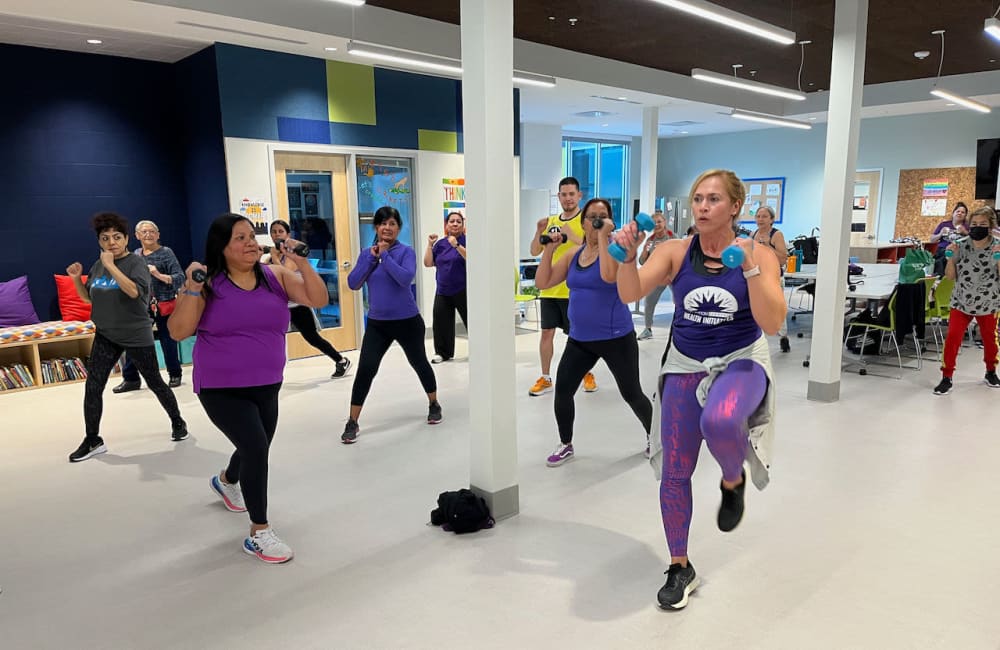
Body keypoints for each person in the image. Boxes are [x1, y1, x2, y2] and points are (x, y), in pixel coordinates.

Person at [614, 169, 785, 610]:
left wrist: (748, 268)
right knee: (675, 470)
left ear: (735, 207)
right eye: (697, 199)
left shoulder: (759, 253)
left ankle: (733, 481)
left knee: (721, 419)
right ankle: (679, 565)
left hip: (741, 360)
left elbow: (772, 323)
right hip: (686, 363)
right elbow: (629, 291)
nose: (703, 207)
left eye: (713, 199)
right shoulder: (674, 251)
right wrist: (628, 257)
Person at [168, 213, 328, 564]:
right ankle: (259, 531)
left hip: (268, 382)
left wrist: (301, 261)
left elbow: (317, 300)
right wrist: (192, 288)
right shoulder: (207, 282)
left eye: (252, 237)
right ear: (221, 247)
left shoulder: (275, 276)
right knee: (256, 446)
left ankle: (227, 480)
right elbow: (178, 331)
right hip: (220, 385)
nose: (251, 243)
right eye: (239, 238)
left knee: (255, 443)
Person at [535, 199, 652, 467]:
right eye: (591, 217)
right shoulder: (573, 254)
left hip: (616, 338)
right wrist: (548, 251)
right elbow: (543, 282)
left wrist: (602, 236)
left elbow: (609, 276)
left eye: (602, 216)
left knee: (631, 393)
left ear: (610, 221)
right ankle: (566, 443)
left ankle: (655, 436)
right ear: (582, 221)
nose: (595, 221)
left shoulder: (616, 250)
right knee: (563, 391)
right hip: (580, 339)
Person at [66, 212, 188, 463]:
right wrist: (77, 280)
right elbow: (89, 298)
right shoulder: (98, 265)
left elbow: (135, 292)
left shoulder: (136, 263)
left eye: (116, 237)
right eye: (105, 238)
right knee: (93, 386)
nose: (111, 242)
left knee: (154, 381)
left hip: (135, 334)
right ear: (99, 241)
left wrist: (111, 265)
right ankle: (93, 439)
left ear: (125, 239)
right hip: (105, 334)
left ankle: (178, 421)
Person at [341, 206, 441, 444]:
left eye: (392, 224)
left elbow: (405, 279)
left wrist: (385, 256)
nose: (387, 227)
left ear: (398, 228)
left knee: (419, 363)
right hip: (378, 323)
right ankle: (352, 421)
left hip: (407, 321)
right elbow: (353, 283)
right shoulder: (367, 253)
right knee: (366, 369)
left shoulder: (406, 252)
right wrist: (372, 258)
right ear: (376, 227)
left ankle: (434, 403)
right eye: (383, 223)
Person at [527, 177, 597, 396]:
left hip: (574, 288)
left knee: (578, 336)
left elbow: (590, 247)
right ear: (558, 196)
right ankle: (546, 377)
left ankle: (586, 373)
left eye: (571, 194)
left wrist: (570, 232)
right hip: (549, 288)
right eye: (563, 194)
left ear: (579, 196)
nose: (567, 198)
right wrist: (540, 231)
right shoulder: (550, 221)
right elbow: (534, 251)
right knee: (546, 333)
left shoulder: (586, 221)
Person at [264, 219, 351, 378]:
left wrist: (275, 257)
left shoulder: (291, 257)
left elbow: (285, 275)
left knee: (312, 337)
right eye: (274, 232)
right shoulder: (270, 258)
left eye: (280, 231)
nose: (277, 235)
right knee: (272, 337)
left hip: (298, 305)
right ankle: (269, 373)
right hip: (280, 306)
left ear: (288, 235)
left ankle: (340, 360)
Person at [112, 220, 185, 392]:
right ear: (137, 236)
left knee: (168, 340)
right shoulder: (135, 254)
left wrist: (157, 274)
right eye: (144, 232)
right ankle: (131, 379)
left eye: (152, 231)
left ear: (158, 235)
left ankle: (175, 374)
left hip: (164, 303)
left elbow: (180, 278)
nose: (148, 234)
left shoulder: (166, 253)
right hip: (140, 305)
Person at [933, 206, 1000, 395]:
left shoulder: (997, 245)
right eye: (974, 224)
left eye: (983, 224)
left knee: (990, 341)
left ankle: (991, 371)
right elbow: (950, 277)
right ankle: (947, 377)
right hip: (961, 301)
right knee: (953, 338)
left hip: (989, 302)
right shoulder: (961, 244)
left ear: (991, 226)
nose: (978, 227)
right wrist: (950, 258)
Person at [423, 211, 468, 363]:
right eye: (452, 221)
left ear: (463, 225)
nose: (455, 224)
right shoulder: (440, 244)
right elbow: (428, 263)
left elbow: (472, 258)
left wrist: (456, 245)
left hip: (464, 289)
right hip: (443, 290)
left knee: (472, 321)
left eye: (458, 221)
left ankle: (480, 349)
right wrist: (430, 245)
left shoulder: (467, 241)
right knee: (441, 321)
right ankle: (442, 353)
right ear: (446, 225)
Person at [750, 206, 791, 353]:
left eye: (764, 216)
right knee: (754, 308)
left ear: (771, 219)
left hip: (773, 278)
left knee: (776, 308)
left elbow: (782, 259)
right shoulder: (753, 234)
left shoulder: (776, 235)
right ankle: (754, 340)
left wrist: (767, 246)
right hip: (756, 278)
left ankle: (783, 337)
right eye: (758, 216)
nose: (760, 219)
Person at [637, 210, 674, 341]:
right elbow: (642, 261)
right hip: (657, 277)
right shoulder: (650, 240)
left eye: (659, 221)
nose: (657, 224)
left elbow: (678, 257)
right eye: (654, 222)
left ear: (664, 223)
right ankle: (648, 329)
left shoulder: (672, 237)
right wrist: (645, 251)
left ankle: (680, 329)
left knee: (680, 301)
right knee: (649, 302)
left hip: (672, 276)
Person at [930, 202, 970, 276]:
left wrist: (965, 232)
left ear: (965, 216)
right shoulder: (944, 225)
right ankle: (940, 278)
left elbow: (973, 241)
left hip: (960, 251)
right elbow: (932, 240)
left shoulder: (967, 227)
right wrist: (940, 233)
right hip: (943, 251)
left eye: (963, 212)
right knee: (942, 258)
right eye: (958, 211)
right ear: (953, 213)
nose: (960, 213)